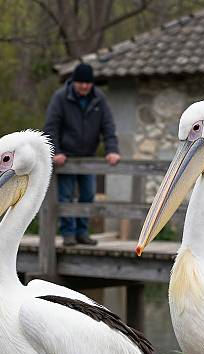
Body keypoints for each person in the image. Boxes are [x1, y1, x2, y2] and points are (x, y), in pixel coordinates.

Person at [44, 63, 121, 246]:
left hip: (89, 157)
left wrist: (112, 150)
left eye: (88, 83)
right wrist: (56, 151)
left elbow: (108, 126)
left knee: (88, 195)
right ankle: (68, 234)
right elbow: (51, 127)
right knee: (66, 197)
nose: (85, 86)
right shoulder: (60, 98)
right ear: (74, 82)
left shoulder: (99, 98)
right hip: (66, 158)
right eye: (81, 83)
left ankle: (82, 232)